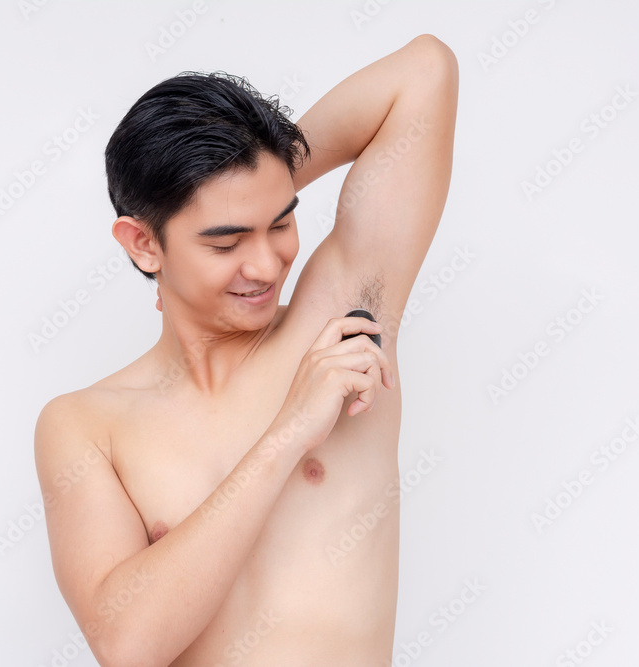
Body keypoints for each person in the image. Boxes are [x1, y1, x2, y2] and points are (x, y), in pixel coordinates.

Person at [34, 33, 458, 667]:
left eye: (281, 222)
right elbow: (127, 646)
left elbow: (425, 70)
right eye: (226, 241)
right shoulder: (85, 426)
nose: (266, 264)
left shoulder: (338, 324)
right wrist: (289, 432)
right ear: (143, 244)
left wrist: (259, 178)